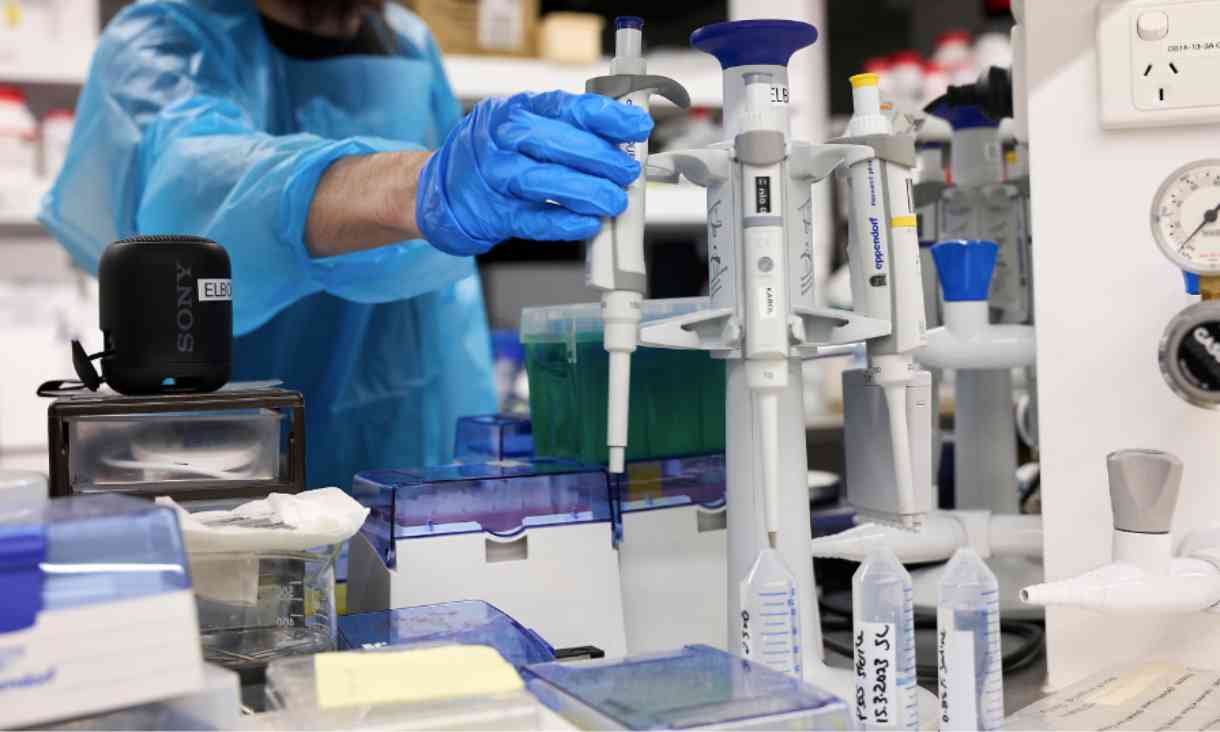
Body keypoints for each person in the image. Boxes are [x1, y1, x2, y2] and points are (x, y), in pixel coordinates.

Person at [40, 0, 651, 487]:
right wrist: (420, 186)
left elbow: (444, 274)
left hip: (411, 431)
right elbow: (199, 193)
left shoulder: (407, 41)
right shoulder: (163, 39)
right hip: (233, 456)